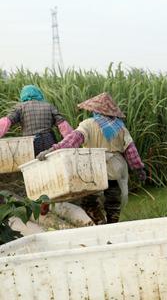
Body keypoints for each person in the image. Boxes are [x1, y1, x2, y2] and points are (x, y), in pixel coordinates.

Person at [37, 92, 146, 224]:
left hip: (93, 167)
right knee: (113, 201)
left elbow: (72, 141)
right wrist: (139, 169)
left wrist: (52, 150)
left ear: (95, 110)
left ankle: (100, 223)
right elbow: (131, 150)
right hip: (115, 169)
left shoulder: (88, 124)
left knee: (89, 201)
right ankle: (113, 224)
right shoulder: (120, 127)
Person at [0, 85, 74, 155]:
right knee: (50, 164)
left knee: (31, 165)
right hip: (48, 141)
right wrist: (72, 141)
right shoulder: (49, 106)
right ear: (38, 93)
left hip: (29, 143)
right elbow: (63, 125)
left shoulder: (20, 107)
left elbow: (6, 122)